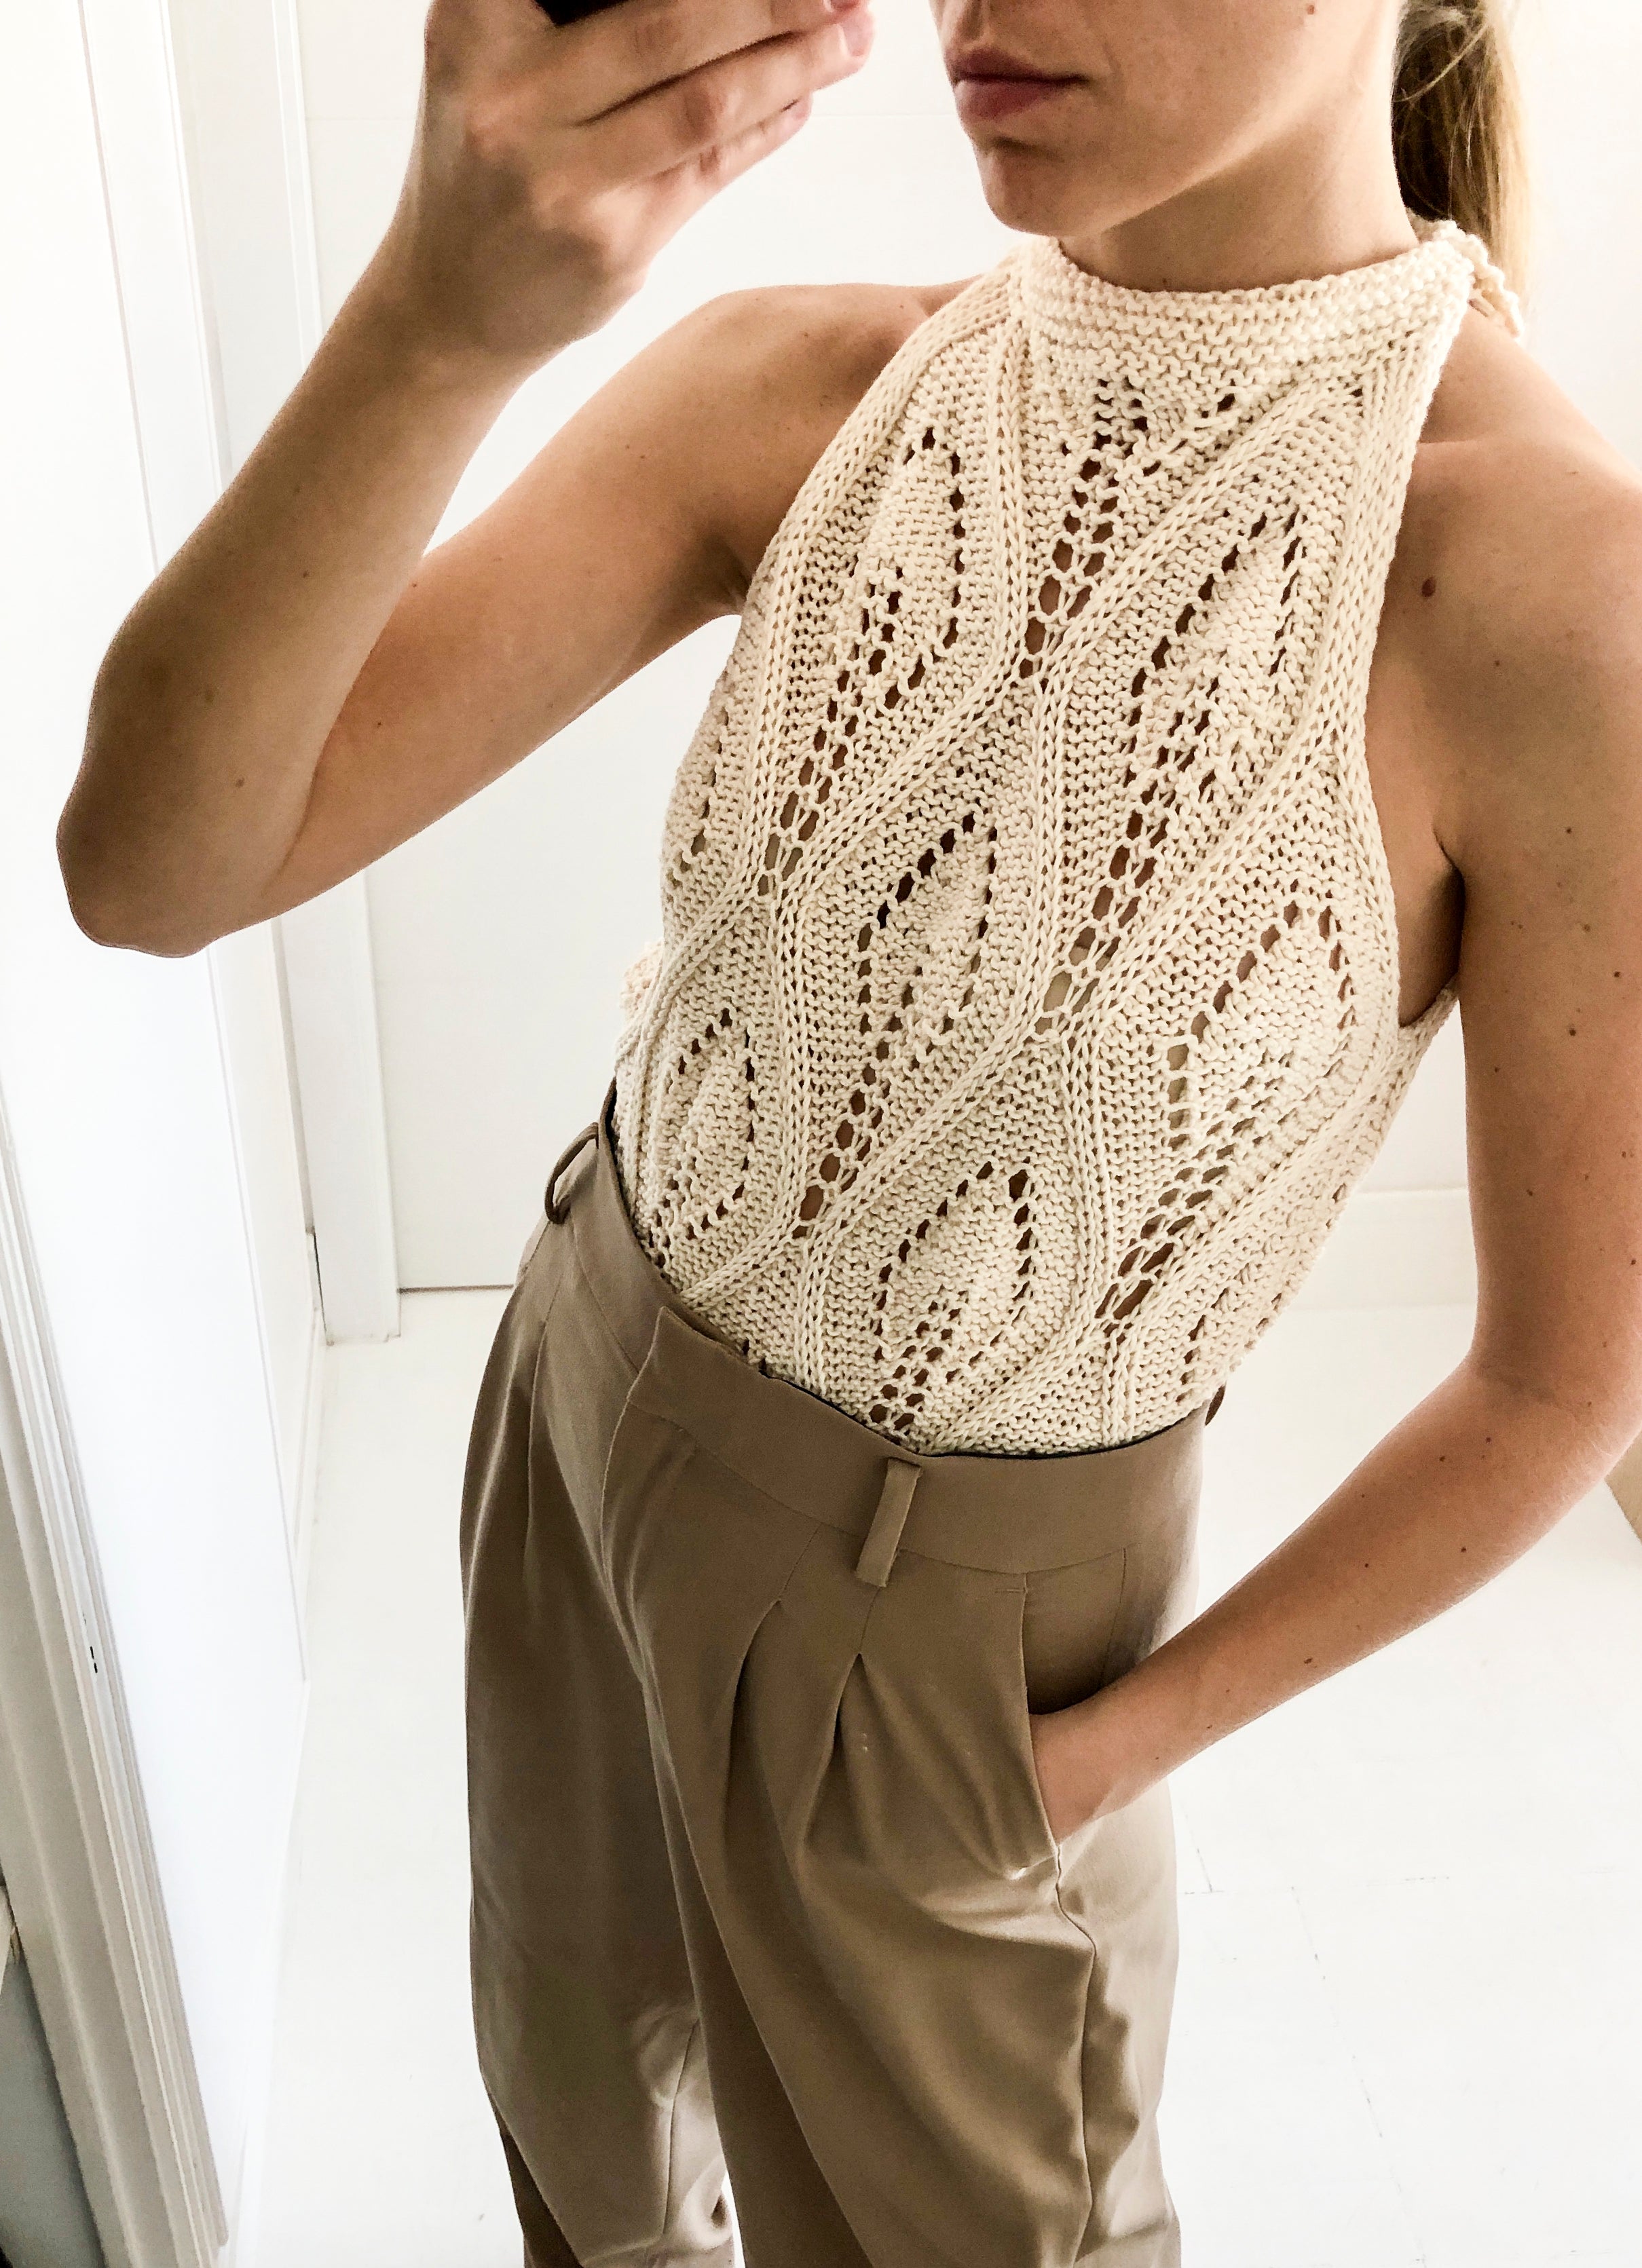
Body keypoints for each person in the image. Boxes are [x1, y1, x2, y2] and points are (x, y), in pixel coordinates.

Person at [58, 0, 1642, 2259]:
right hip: (584, 1382)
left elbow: (1563, 1385)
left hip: (955, 1633)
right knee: (586, 2155)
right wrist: (436, 318)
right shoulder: (804, 387)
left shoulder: (1556, 590)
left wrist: (1086, 1763)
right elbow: (152, 869)